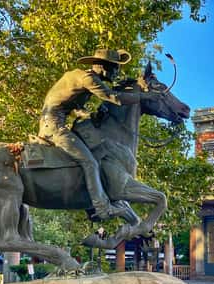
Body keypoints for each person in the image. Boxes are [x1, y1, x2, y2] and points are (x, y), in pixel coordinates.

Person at [38, 49, 147, 220]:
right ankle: (101, 208)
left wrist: (89, 115)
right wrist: (142, 97)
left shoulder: (81, 78)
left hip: (57, 121)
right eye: (115, 68)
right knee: (89, 161)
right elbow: (113, 96)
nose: (117, 72)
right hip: (53, 126)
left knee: (97, 150)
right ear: (104, 67)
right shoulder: (87, 78)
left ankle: (92, 197)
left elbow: (74, 108)